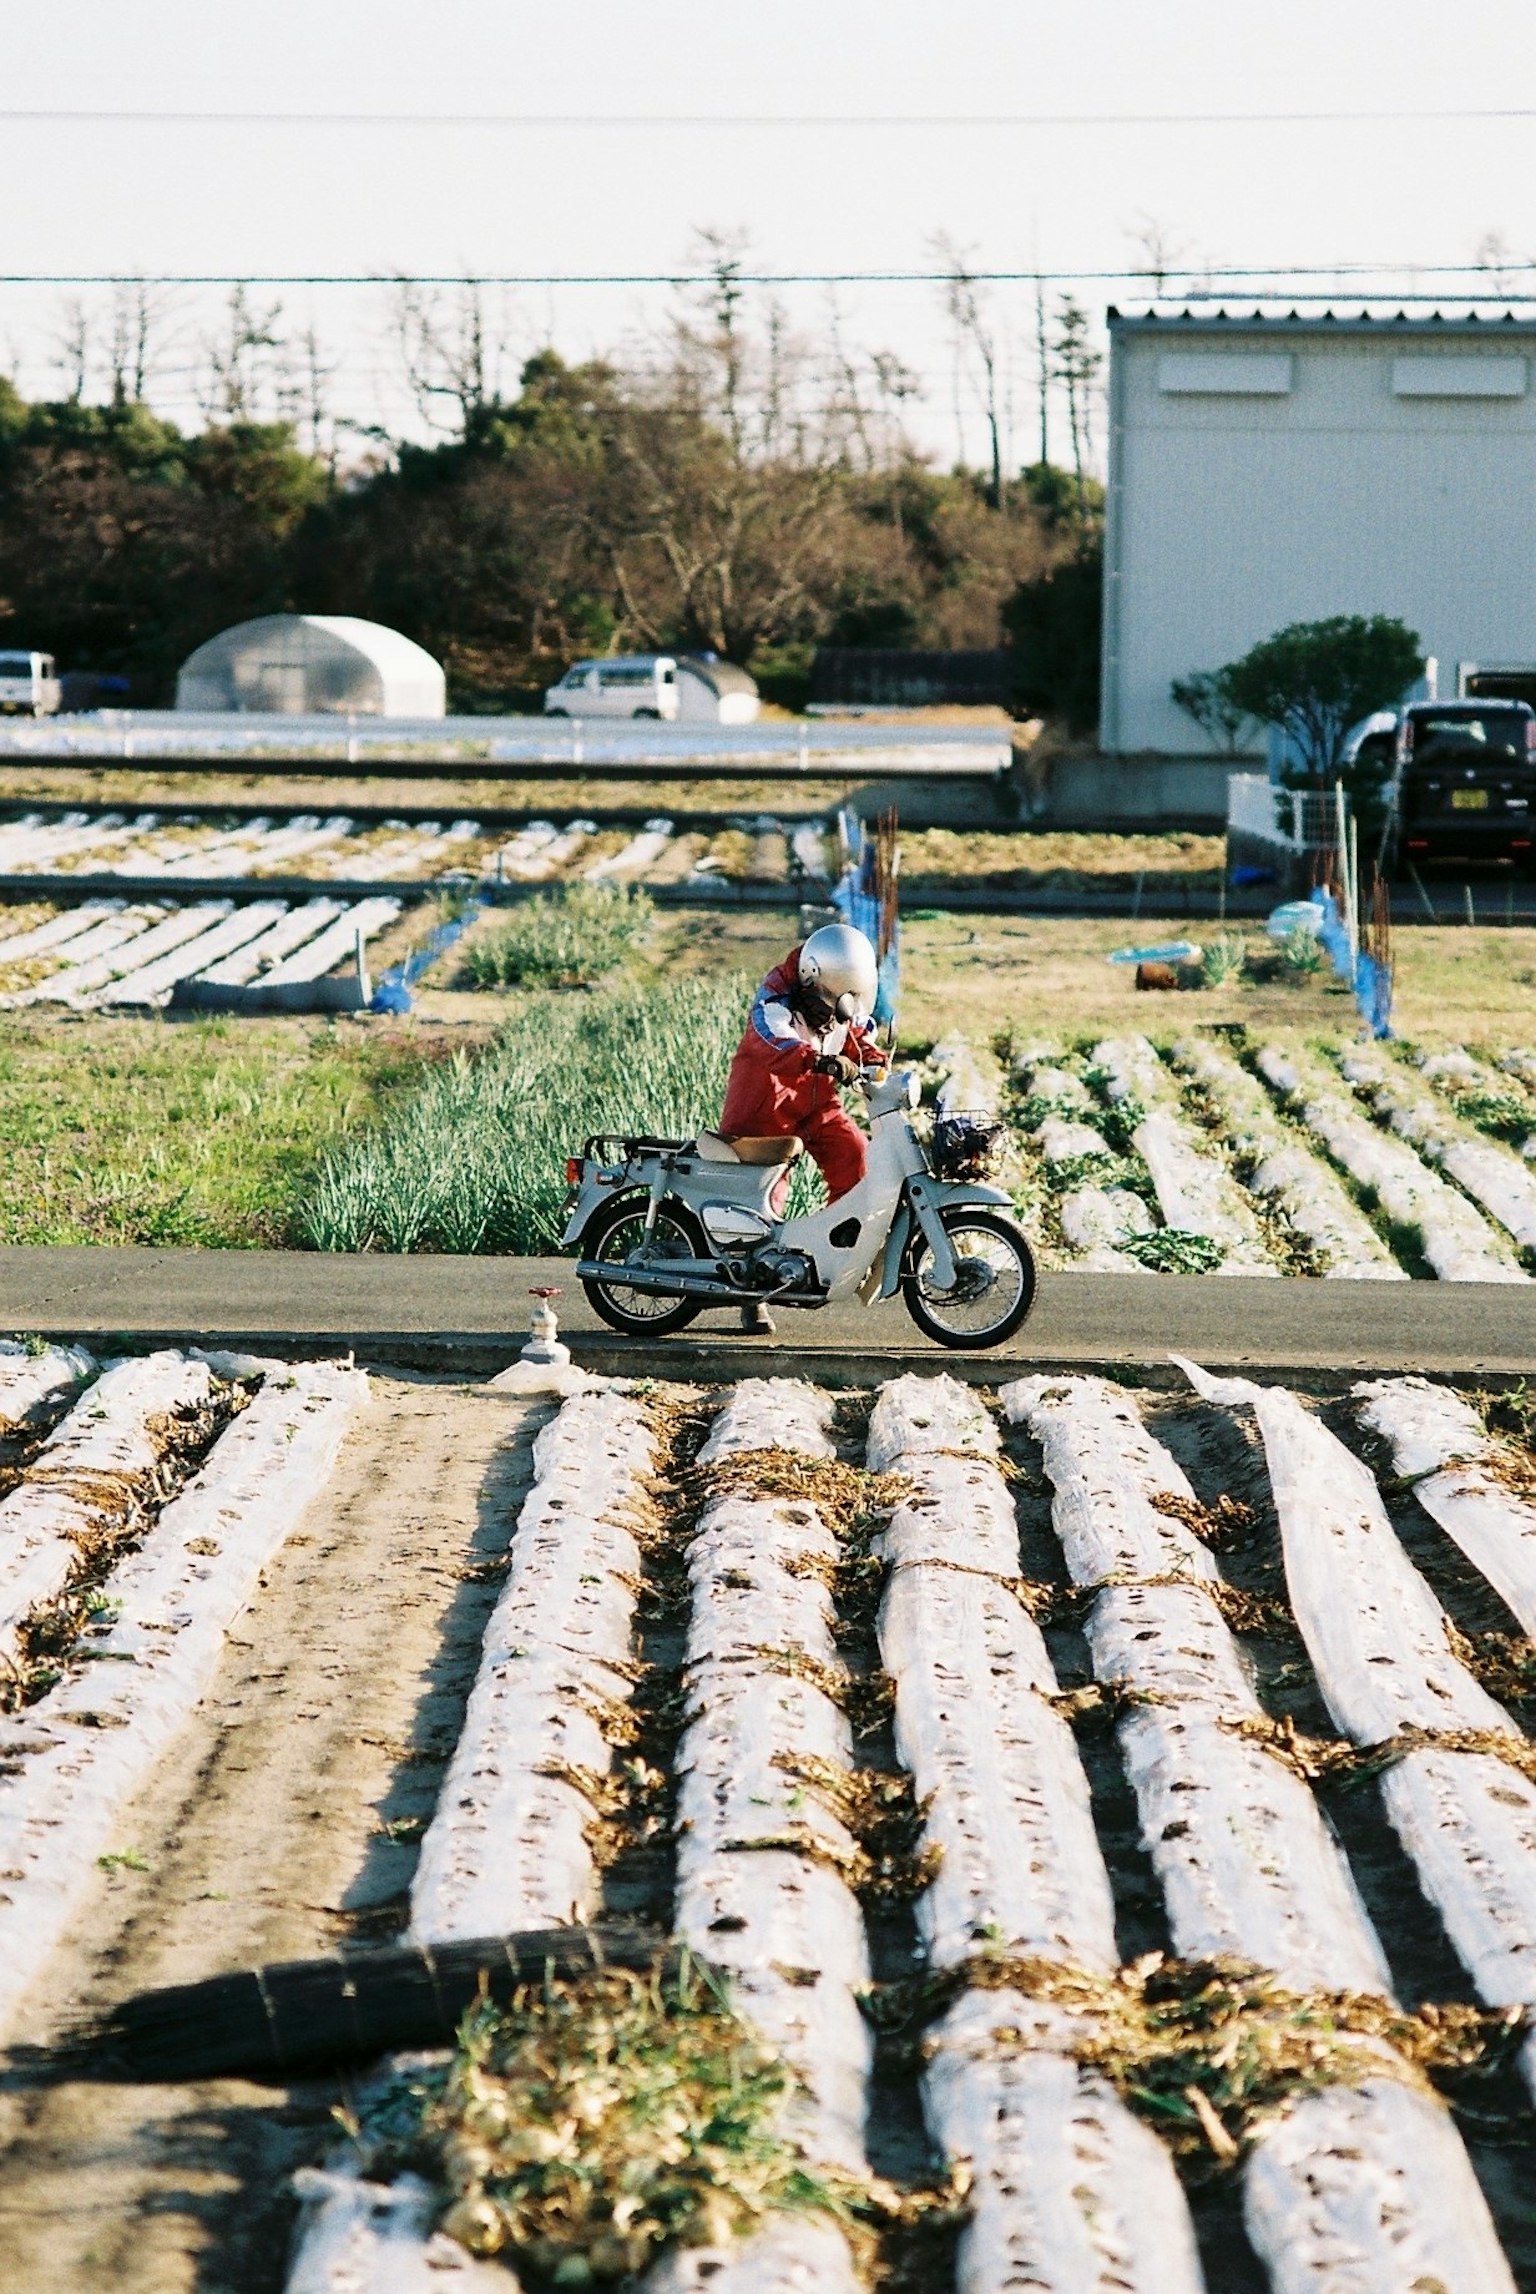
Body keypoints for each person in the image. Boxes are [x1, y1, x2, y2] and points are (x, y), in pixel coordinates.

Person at [717, 922, 887, 1333]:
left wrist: (875, 1061)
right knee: (762, 1200)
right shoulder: (775, 999)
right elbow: (775, 1041)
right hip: (765, 1108)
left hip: (816, 1104)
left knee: (855, 1155)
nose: (836, 1014)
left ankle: (842, 1248)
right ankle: (753, 1295)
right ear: (813, 980)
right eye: (832, 1003)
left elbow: (858, 1034)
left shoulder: (840, 995)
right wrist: (820, 1060)